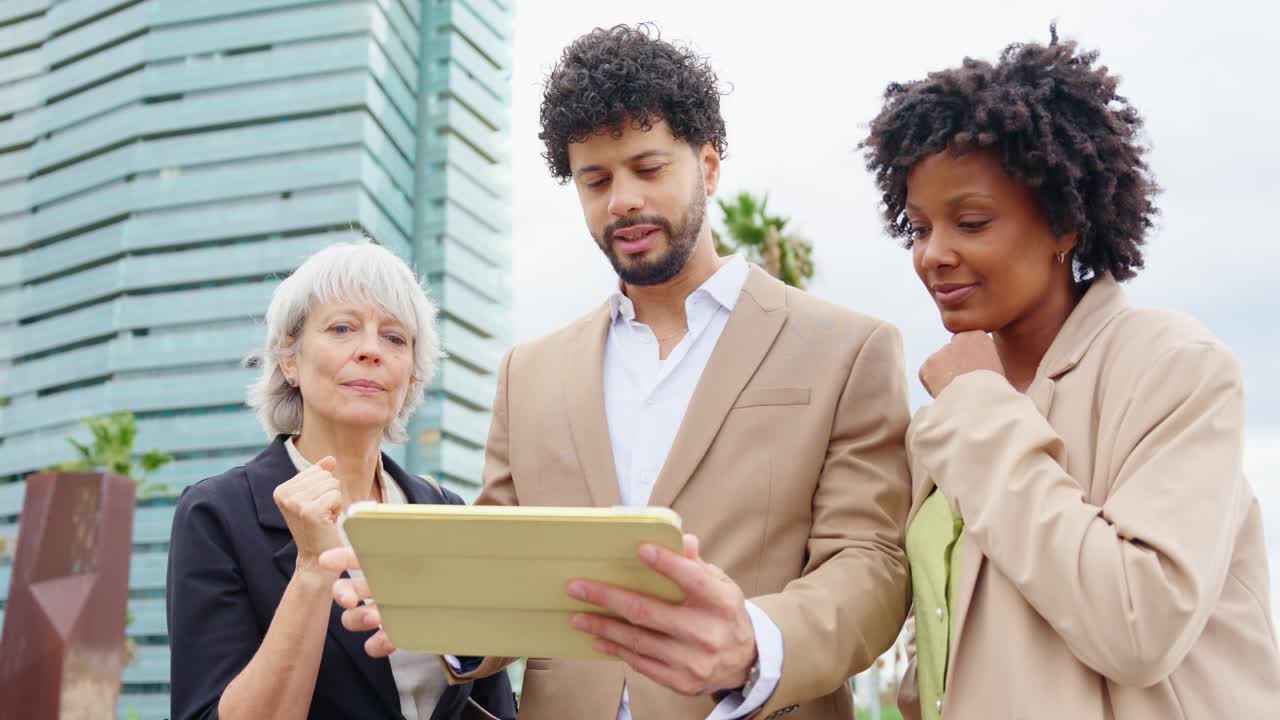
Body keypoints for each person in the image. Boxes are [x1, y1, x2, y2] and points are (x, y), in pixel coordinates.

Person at [326, 23, 913, 720]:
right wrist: (444, 617)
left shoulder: (848, 347)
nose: (622, 200)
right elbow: (498, 565)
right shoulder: (529, 373)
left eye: (649, 167)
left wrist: (755, 641)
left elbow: (871, 563)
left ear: (711, 164)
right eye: (595, 180)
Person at [860, 26, 1280, 719]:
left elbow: (1138, 624)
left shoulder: (1175, 368)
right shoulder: (955, 412)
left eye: (970, 221)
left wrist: (977, 407)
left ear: (1065, 225)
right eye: (918, 227)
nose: (933, 254)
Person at [166, 241, 515, 720]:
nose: (371, 350)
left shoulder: (447, 511)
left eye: (395, 338)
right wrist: (312, 569)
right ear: (289, 360)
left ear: (411, 375)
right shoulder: (219, 512)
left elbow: (494, 702)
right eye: (342, 328)